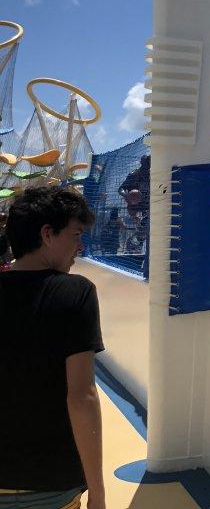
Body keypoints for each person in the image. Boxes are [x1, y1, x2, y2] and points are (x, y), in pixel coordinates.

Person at [0, 187, 105, 509]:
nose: (80, 246)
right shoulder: (76, 292)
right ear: (47, 234)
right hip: (53, 481)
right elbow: (82, 396)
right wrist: (98, 494)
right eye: (76, 235)